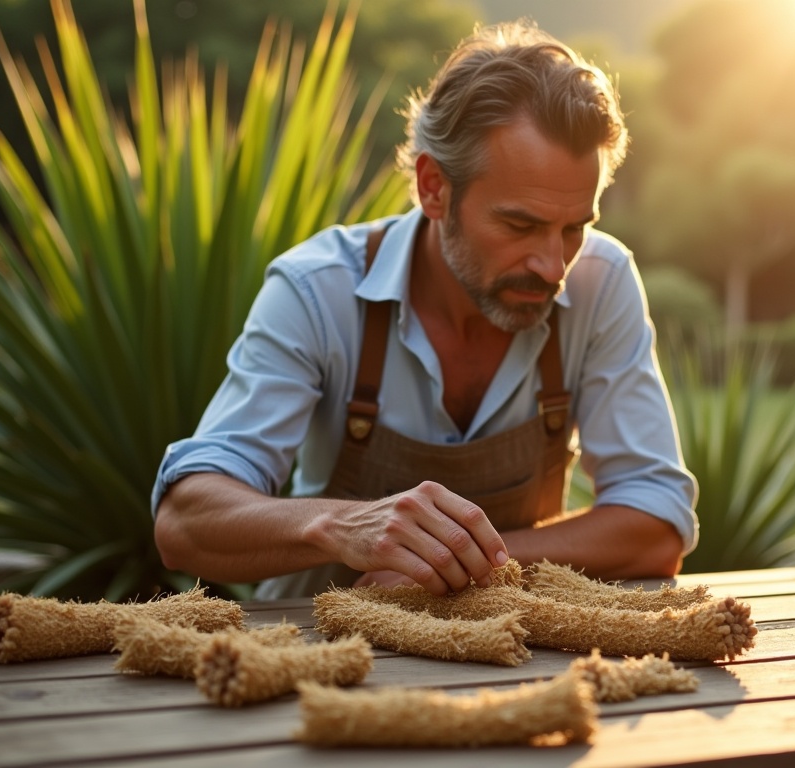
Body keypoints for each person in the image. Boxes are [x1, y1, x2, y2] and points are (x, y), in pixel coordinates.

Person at [151, 20, 698, 598]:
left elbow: (657, 525)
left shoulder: (600, 281)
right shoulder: (318, 290)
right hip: (318, 658)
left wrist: (461, 566)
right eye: (520, 224)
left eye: (573, 228)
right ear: (434, 187)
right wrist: (342, 526)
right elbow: (184, 522)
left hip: (514, 661)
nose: (552, 266)